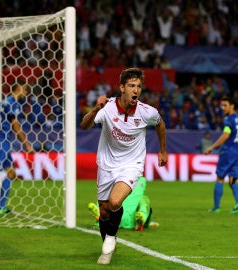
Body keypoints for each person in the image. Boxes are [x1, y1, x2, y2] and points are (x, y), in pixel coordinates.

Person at [80, 67, 167, 265]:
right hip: (106, 164)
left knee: (114, 202)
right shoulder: (108, 108)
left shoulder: (147, 112)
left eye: (138, 86)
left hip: (131, 164)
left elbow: (160, 124)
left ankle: (110, 240)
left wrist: (163, 150)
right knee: (103, 211)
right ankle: (107, 244)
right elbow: (84, 126)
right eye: (131, 86)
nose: (136, 90)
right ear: (121, 88)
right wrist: (95, 109)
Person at [0, 80, 34, 215]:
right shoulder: (12, 104)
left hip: (1, 141)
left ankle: (1, 207)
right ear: (18, 88)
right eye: (25, 90)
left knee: (11, 173)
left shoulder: (3, 102)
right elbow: (15, 126)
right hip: (0, 141)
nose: (26, 93)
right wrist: (27, 144)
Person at [204, 95, 238, 214]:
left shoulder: (229, 120)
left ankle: (216, 208)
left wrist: (212, 147)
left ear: (232, 106)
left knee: (220, 178)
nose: (222, 108)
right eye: (221, 105)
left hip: (228, 152)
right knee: (232, 180)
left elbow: (226, 135)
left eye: (225, 105)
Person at [88, 176, 159, 231]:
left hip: (113, 216)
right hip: (132, 221)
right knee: (144, 200)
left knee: (106, 194)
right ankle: (141, 217)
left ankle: (100, 212)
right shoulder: (140, 180)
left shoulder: (114, 177)